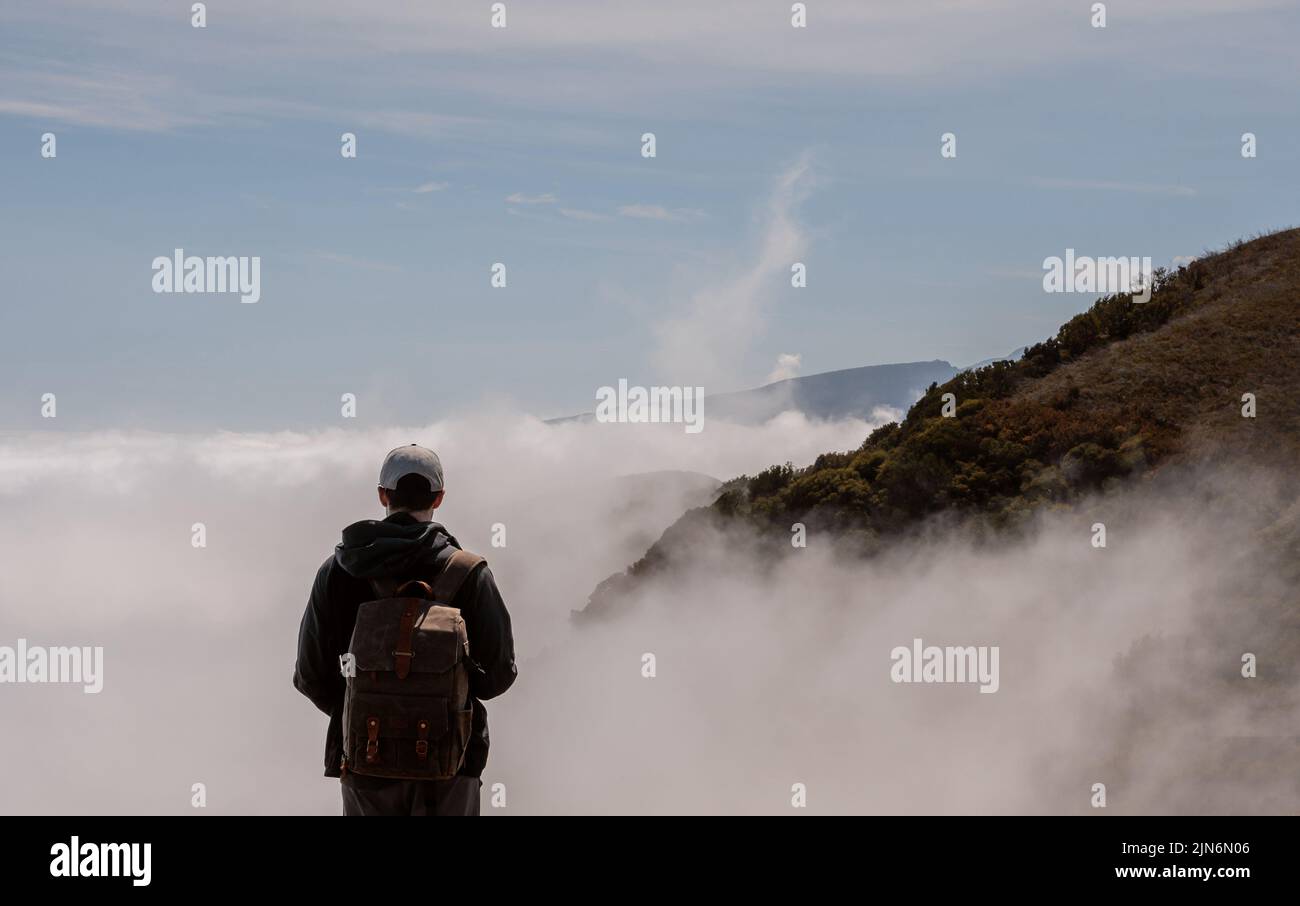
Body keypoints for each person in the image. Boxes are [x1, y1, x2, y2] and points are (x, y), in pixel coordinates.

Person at [293, 444, 517, 815]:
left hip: (367, 761)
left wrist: (361, 707)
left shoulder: (338, 571)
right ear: (439, 497)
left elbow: (310, 675)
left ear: (383, 495)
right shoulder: (470, 573)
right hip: (452, 765)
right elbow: (498, 676)